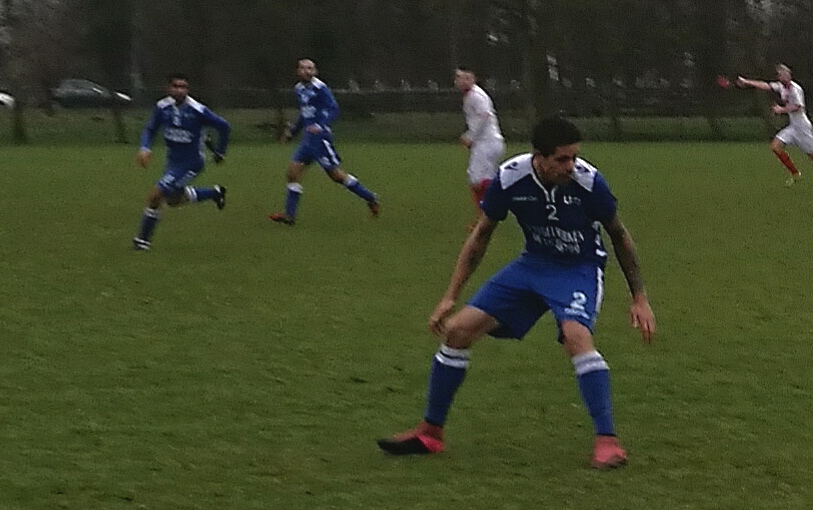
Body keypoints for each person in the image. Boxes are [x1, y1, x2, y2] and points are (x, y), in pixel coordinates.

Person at [378, 116, 657, 469]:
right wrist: (451, 294)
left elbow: (619, 235)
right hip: (532, 266)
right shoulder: (511, 178)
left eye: (574, 158)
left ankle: (607, 441)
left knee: (576, 336)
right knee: (457, 331)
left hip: (578, 269)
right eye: (562, 159)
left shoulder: (589, 182)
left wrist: (639, 297)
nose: (571, 166)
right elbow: (481, 236)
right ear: (538, 157)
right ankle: (430, 433)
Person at [269, 58, 381, 224]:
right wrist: (293, 131)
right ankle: (289, 216)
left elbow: (334, 109)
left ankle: (371, 198)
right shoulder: (299, 89)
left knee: (336, 175)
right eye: (303, 68)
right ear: (298, 71)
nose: (307, 71)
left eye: (310, 68)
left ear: (315, 72)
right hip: (307, 140)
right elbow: (304, 113)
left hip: (321, 139)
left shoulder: (320, 88)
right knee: (292, 173)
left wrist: (321, 125)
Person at [132, 74, 230, 251]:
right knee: (173, 200)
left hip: (191, 162)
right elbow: (150, 128)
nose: (180, 90)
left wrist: (220, 152)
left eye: (183, 87)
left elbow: (224, 126)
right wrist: (145, 147)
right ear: (169, 89)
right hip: (172, 162)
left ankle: (142, 241)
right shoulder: (162, 107)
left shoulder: (198, 110)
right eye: (176, 86)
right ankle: (214, 193)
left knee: (156, 195)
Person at [734, 64, 813, 184]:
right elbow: (765, 85)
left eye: (784, 74)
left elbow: (798, 106)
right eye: (780, 75)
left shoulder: (795, 89)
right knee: (775, 146)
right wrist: (746, 82)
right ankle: (795, 174)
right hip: (793, 126)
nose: (782, 77)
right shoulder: (781, 87)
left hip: (803, 127)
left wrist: (781, 110)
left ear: (789, 75)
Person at [458, 68, 506, 206]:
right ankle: (488, 214)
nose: (462, 81)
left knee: (477, 180)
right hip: (489, 142)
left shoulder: (475, 95)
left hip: (487, 143)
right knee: (484, 179)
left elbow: (484, 115)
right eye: (460, 78)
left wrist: (470, 136)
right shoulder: (471, 95)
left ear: (473, 79)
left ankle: (487, 214)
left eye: (467, 78)